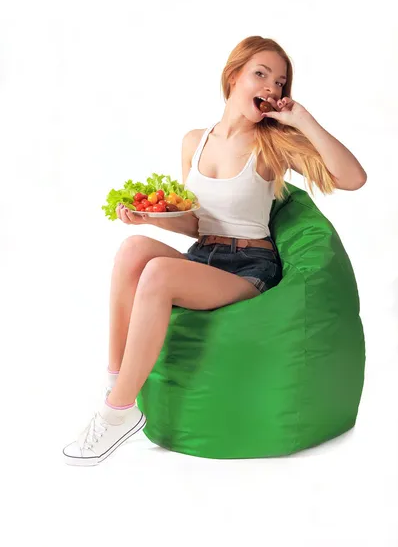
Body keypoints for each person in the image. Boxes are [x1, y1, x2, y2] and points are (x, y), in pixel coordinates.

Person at [63, 36, 367, 466]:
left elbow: (353, 178)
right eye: (260, 74)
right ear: (234, 76)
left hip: (249, 268)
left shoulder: (273, 144)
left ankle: (117, 412)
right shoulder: (194, 141)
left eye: (280, 82)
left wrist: (304, 121)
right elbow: (197, 222)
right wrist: (151, 218)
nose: (271, 87)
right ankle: (117, 383)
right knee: (133, 250)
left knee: (158, 276)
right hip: (204, 257)